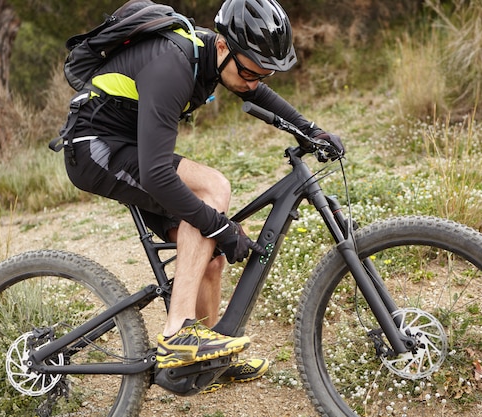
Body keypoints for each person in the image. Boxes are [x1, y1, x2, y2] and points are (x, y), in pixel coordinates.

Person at [61, 0, 343, 389]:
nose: (254, 81)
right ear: (225, 46)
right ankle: (178, 333)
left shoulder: (210, 55)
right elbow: (159, 175)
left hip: (130, 146)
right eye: (250, 71)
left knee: (208, 258)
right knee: (214, 188)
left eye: (263, 73)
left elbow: (256, 92)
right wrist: (220, 228)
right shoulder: (172, 65)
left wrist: (310, 129)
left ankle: (211, 358)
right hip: (96, 149)